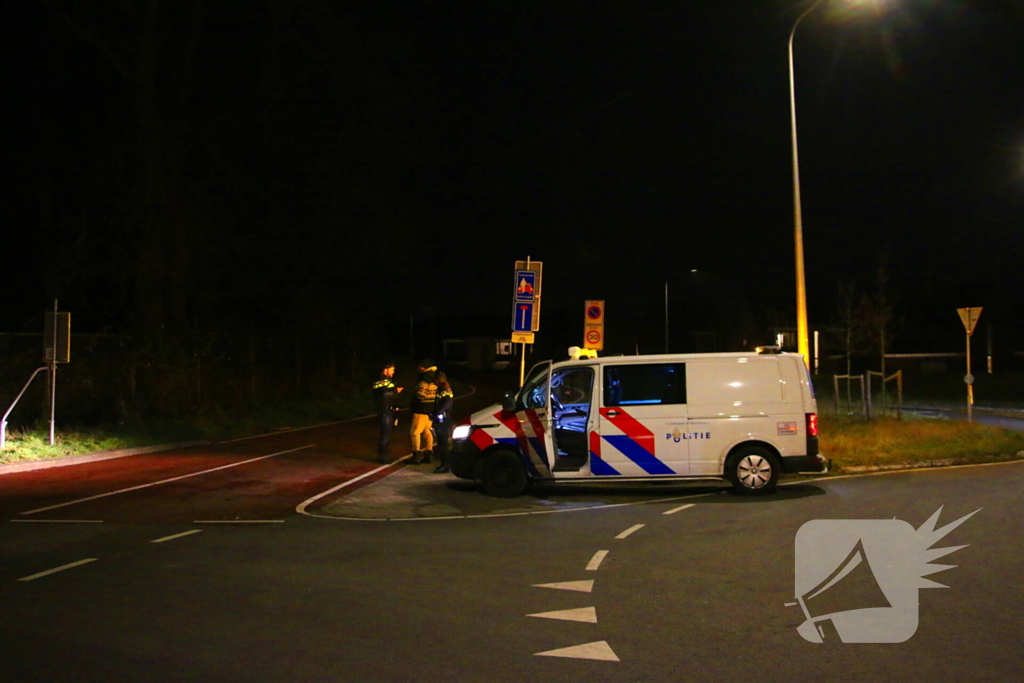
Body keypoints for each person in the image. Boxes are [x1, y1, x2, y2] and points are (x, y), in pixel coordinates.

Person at [409, 359, 438, 464]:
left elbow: (421, 394)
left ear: (423, 367)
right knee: (427, 432)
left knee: (415, 432)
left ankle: (416, 455)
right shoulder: (433, 378)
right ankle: (429, 454)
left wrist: (413, 400)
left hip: (421, 409)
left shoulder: (424, 378)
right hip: (430, 410)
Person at [372, 362, 403, 464]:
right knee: (385, 433)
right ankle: (382, 456)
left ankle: (385, 454)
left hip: (389, 409)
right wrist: (396, 391)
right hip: (385, 410)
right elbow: (384, 393)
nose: (393, 372)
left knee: (388, 433)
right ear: (385, 370)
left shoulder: (388, 380)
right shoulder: (381, 380)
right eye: (391, 370)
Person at [432, 372, 455, 474]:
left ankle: (444, 465)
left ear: (438, 380)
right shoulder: (445, 388)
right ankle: (446, 465)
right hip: (445, 418)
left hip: (443, 419)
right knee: (443, 443)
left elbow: (448, 402)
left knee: (442, 443)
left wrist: (439, 412)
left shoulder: (443, 389)